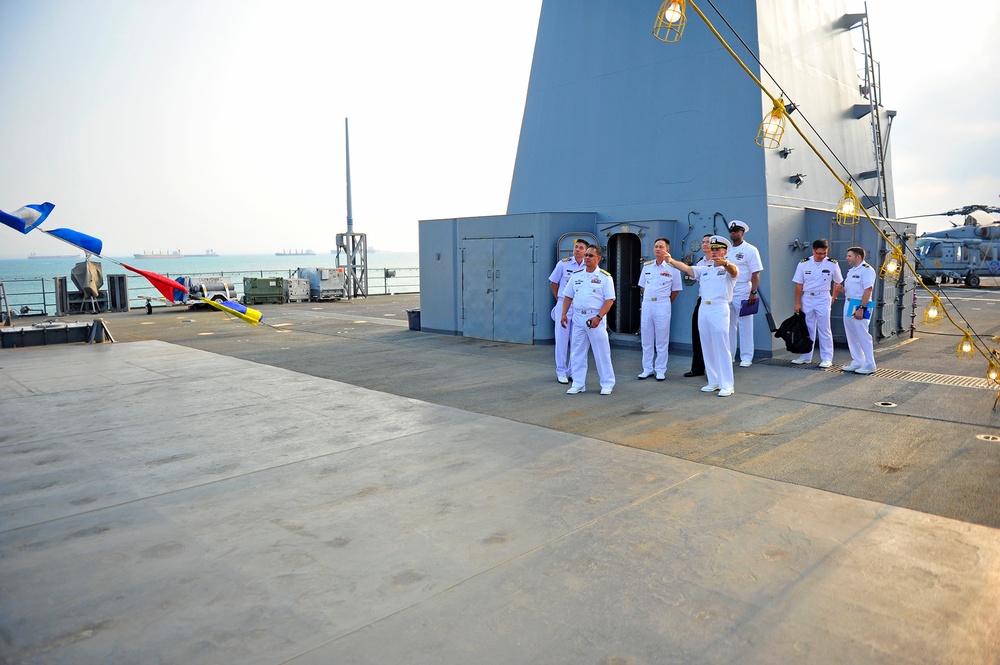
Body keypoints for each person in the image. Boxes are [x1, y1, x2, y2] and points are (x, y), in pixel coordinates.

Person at [664, 235, 738, 396]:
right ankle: (714, 381)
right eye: (713, 249)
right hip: (704, 308)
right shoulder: (704, 269)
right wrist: (671, 260)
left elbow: (734, 271)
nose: (714, 252)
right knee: (707, 345)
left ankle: (727, 384)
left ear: (725, 251)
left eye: (718, 249)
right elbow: (687, 269)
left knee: (721, 346)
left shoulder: (728, 268)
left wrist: (725, 263)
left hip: (719, 308)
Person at [560, 244, 616, 395]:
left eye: (591, 256)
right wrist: (564, 314)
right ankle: (578, 383)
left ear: (598, 258)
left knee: (601, 352)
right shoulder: (576, 275)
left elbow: (609, 300)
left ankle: (607, 383)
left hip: (595, 318)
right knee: (577, 352)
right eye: (586, 255)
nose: (587, 258)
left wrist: (598, 317)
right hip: (578, 317)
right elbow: (568, 296)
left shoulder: (605, 277)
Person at [791, 238, 844, 368]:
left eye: (824, 253)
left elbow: (838, 282)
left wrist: (834, 297)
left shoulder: (832, 264)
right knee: (807, 328)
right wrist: (797, 303)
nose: (821, 256)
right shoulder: (803, 264)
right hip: (807, 297)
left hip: (823, 297)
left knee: (824, 328)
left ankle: (826, 358)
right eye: (819, 253)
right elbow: (799, 284)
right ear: (813, 250)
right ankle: (805, 356)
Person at [637, 238, 683, 380]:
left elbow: (676, 289)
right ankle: (647, 368)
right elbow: (642, 286)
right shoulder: (647, 267)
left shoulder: (673, 268)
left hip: (663, 304)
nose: (657, 249)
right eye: (656, 246)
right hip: (647, 304)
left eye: (661, 247)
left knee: (662, 339)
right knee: (646, 338)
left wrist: (666, 303)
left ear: (667, 250)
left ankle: (661, 369)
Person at [548, 239, 587, 383]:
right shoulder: (563, 264)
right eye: (576, 247)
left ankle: (572, 370)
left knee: (576, 339)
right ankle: (561, 371)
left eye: (581, 248)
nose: (577, 249)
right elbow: (553, 282)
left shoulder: (587, 266)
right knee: (561, 339)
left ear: (586, 251)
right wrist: (560, 299)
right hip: (564, 303)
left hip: (578, 306)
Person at [727, 220, 763, 367]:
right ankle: (729, 355)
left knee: (745, 325)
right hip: (728, 290)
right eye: (731, 231)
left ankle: (747, 357)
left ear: (742, 233)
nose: (733, 233)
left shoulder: (750, 250)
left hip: (743, 290)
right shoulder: (726, 249)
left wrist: (753, 292)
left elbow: (756, 272)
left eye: (736, 231)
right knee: (729, 325)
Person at [842, 246, 877, 375]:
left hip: (861, 304)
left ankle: (870, 364)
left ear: (858, 257)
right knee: (851, 335)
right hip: (850, 302)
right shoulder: (851, 271)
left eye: (849, 256)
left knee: (863, 335)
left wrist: (862, 308)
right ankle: (857, 361)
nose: (847, 258)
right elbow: (852, 289)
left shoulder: (867, 270)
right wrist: (842, 290)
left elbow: (868, 290)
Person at [684, 234, 712, 378]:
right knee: (697, 334)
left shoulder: (722, 262)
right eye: (703, 242)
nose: (705, 244)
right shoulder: (701, 263)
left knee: (715, 338)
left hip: (717, 303)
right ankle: (697, 368)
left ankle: (715, 371)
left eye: (708, 242)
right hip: (702, 300)